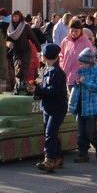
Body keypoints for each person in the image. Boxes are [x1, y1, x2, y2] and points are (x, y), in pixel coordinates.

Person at [68, 47, 97, 162]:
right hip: (81, 106)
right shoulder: (81, 72)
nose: (80, 65)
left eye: (82, 63)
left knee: (90, 130)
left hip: (92, 107)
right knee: (81, 131)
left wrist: (84, 82)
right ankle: (82, 153)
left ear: (89, 62)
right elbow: (77, 89)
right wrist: (77, 84)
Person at [33, 43, 68, 173]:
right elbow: (44, 88)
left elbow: (53, 90)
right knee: (50, 132)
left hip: (57, 107)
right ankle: (58, 156)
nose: (40, 56)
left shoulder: (58, 73)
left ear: (46, 57)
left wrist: (39, 90)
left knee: (50, 132)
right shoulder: (47, 70)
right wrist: (36, 89)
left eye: (42, 54)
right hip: (47, 106)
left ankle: (49, 159)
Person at [5, 10, 38, 90]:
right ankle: (20, 84)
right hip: (15, 51)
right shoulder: (10, 28)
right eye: (14, 16)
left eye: (17, 16)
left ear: (20, 17)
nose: (15, 18)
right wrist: (8, 43)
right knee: (17, 67)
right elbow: (6, 40)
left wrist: (38, 47)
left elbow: (32, 37)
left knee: (24, 67)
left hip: (25, 50)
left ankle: (22, 85)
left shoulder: (25, 26)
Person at [59, 18, 95, 86]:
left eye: (76, 31)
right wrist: (62, 65)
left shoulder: (86, 42)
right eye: (72, 31)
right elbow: (61, 54)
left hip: (80, 78)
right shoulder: (66, 40)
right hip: (66, 75)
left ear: (81, 30)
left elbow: (91, 58)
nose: (73, 33)